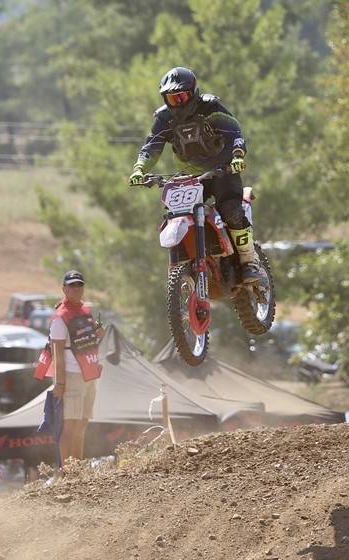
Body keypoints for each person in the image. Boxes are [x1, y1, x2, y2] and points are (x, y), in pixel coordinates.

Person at [128, 66, 267, 288]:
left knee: (231, 210)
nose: (178, 103)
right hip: (189, 175)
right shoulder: (164, 118)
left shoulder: (211, 108)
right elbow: (152, 146)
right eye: (172, 99)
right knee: (176, 214)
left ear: (193, 93)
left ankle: (250, 262)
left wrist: (237, 157)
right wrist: (139, 169)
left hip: (223, 169)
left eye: (182, 96)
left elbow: (235, 134)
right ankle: (184, 268)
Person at [35, 270, 105, 477]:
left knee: (82, 424)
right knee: (70, 427)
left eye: (79, 285)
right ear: (64, 289)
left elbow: (86, 341)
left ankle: (78, 470)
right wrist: (60, 384)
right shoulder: (60, 316)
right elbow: (57, 353)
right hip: (72, 376)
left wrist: (97, 334)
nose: (76, 289)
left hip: (89, 373)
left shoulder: (84, 310)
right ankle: (69, 473)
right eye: (72, 285)